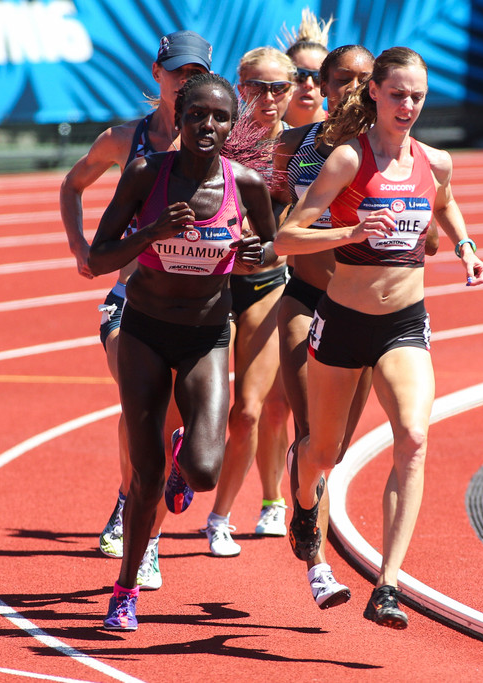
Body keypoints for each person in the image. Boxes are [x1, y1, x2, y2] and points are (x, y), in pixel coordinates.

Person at [274, 47, 483, 630]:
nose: (408, 105)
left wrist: (466, 248)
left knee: (414, 438)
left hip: (404, 322)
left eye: (417, 95)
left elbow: (445, 206)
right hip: (343, 321)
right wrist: (348, 229)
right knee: (322, 452)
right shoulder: (348, 159)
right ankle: (302, 502)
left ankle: (387, 585)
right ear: (375, 93)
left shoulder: (435, 161)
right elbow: (286, 239)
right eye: (397, 94)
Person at [88, 71, 279, 631]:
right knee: (143, 479)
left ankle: (182, 458)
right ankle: (125, 591)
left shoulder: (245, 184)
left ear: (231, 124)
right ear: (181, 118)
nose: (209, 126)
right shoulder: (148, 175)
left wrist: (253, 253)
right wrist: (149, 235)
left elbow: (269, 251)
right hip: (145, 332)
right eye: (198, 115)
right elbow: (99, 258)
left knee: (202, 472)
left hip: (205, 335)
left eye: (220, 117)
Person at [59, 31, 211, 590]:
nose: (185, 82)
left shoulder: (223, 141)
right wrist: (81, 248)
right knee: (144, 408)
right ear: (157, 73)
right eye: (177, 72)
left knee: (178, 423)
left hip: (197, 309)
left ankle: (134, 495)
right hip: (130, 302)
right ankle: (145, 540)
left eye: (195, 74)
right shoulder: (126, 140)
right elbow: (72, 183)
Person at [272, 43, 376, 610]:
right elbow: (242, 193)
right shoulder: (296, 145)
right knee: (309, 428)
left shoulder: (387, 156)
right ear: (325, 83)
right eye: (341, 80)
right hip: (305, 298)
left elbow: (428, 239)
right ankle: (318, 564)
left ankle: (304, 503)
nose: (352, 91)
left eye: (364, 80)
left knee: (330, 450)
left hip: (360, 310)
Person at [199, 46, 297, 557]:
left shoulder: (301, 147)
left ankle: (225, 517)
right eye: (258, 86)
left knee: (251, 413)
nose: (269, 97)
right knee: (194, 410)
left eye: (280, 87)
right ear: (240, 87)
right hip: (211, 284)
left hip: (266, 284)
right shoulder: (216, 140)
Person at [280, 9, 333, 128]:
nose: (308, 84)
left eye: (318, 77)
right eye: (300, 75)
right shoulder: (264, 128)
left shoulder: (340, 131)